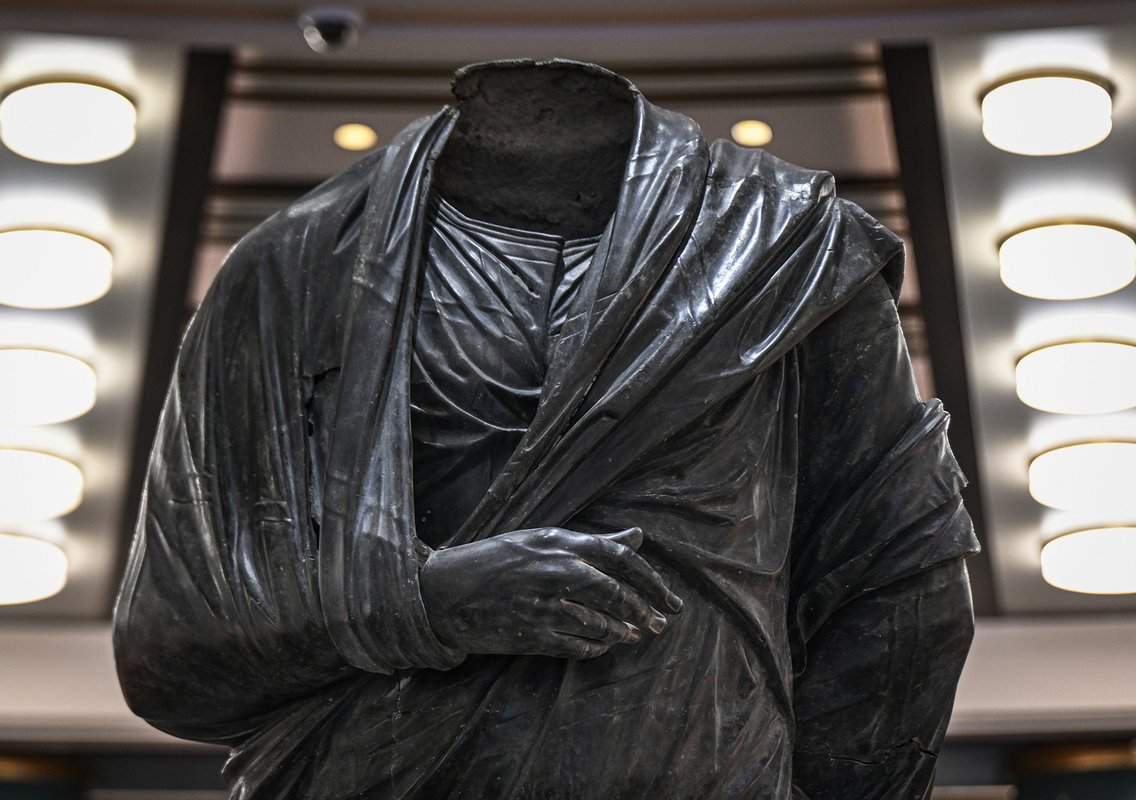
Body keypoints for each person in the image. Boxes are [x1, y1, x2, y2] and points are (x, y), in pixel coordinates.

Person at [114, 60, 978, 800]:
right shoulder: (290, 267)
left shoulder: (788, 248)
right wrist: (430, 605)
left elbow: (902, 583)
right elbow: (168, 654)